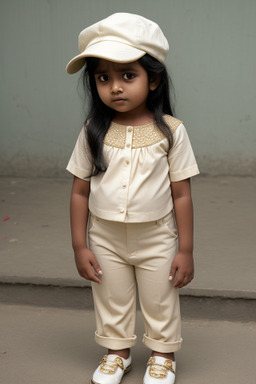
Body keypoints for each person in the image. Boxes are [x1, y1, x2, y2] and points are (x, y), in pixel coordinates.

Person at [66, 12, 199, 384]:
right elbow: (79, 190)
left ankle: (162, 355)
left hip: (157, 236)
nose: (115, 87)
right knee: (111, 297)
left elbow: (182, 194)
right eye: (103, 77)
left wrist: (185, 249)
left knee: (160, 297)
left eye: (128, 75)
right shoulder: (93, 130)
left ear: (153, 78)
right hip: (105, 236)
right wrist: (80, 244)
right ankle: (117, 353)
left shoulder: (171, 132)